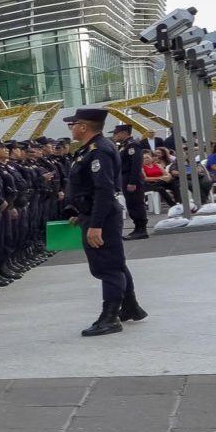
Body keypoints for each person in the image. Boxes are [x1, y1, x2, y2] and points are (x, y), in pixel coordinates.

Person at [63, 107, 144, 336]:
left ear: (83, 126)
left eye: (73, 124)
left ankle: (110, 317)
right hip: (94, 213)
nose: (71, 128)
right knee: (114, 262)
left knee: (107, 267)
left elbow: (103, 189)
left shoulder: (99, 150)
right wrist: (83, 213)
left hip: (103, 216)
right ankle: (130, 307)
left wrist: (96, 224)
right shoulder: (90, 149)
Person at [112, 123, 149, 238]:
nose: (114, 136)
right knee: (131, 203)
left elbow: (136, 165)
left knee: (136, 203)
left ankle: (141, 229)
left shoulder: (133, 145)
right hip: (125, 176)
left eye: (116, 133)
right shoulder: (125, 145)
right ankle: (137, 228)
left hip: (131, 177)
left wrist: (132, 181)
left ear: (124, 133)